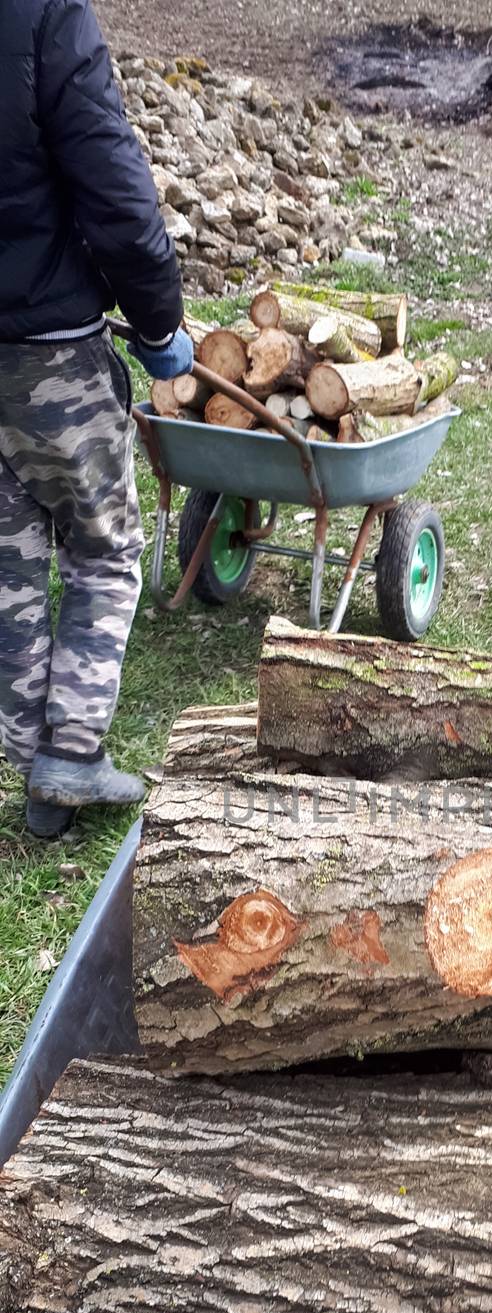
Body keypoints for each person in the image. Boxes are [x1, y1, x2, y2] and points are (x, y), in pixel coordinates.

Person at [0, 0, 195, 837]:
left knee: (8, 564)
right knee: (104, 545)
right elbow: (115, 190)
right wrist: (157, 326)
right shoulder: (48, 14)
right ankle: (70, 760)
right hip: (50, 350)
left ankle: (26, 759)